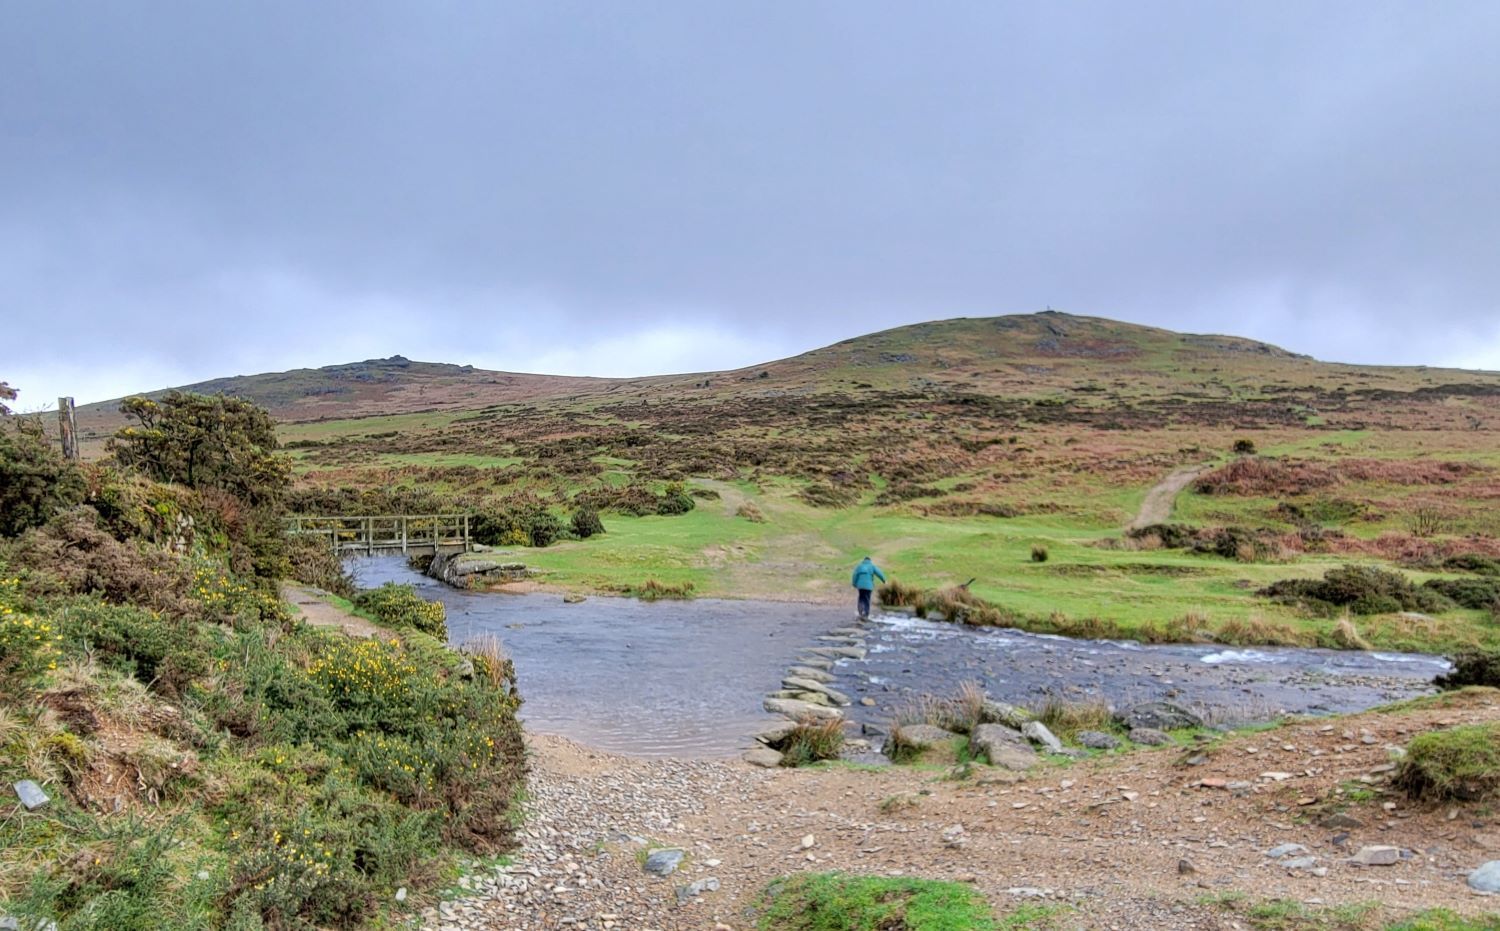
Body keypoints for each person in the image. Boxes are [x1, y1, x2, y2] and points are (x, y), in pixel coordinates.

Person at [850, 556, 886, 620]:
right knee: (867, 599)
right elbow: (879, 573)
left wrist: (854, 584)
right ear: (870, 561)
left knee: (861, 598)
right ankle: (866, 614)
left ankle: (860, 612)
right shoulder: (872, 566)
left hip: (860, 586)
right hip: (868, 586)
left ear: (864, 560)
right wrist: (884, 580)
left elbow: (855, 575)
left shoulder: (859, 566)